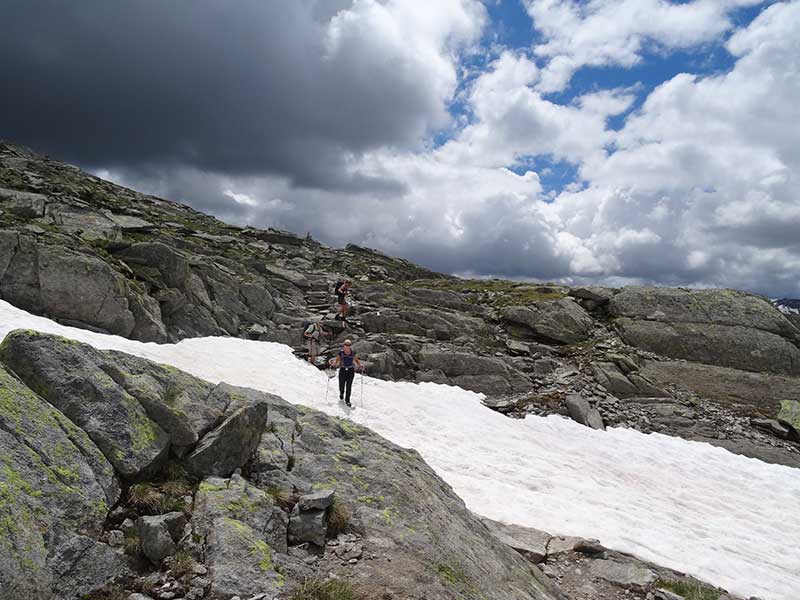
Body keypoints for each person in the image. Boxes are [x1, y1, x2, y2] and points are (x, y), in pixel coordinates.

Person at [328, 339, 363, 406]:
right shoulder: (341, 353)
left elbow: (356, 360)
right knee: (341, 384)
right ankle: (341, 393)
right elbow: (337, 361)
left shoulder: (353, 353)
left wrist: (360, 365)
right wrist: (333, 363)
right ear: (344, 345)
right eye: (346, 345)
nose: (347, 346)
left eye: (349, 345)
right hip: (343, 369)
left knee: (349, 386)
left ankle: (347, 400)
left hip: (350, 370)